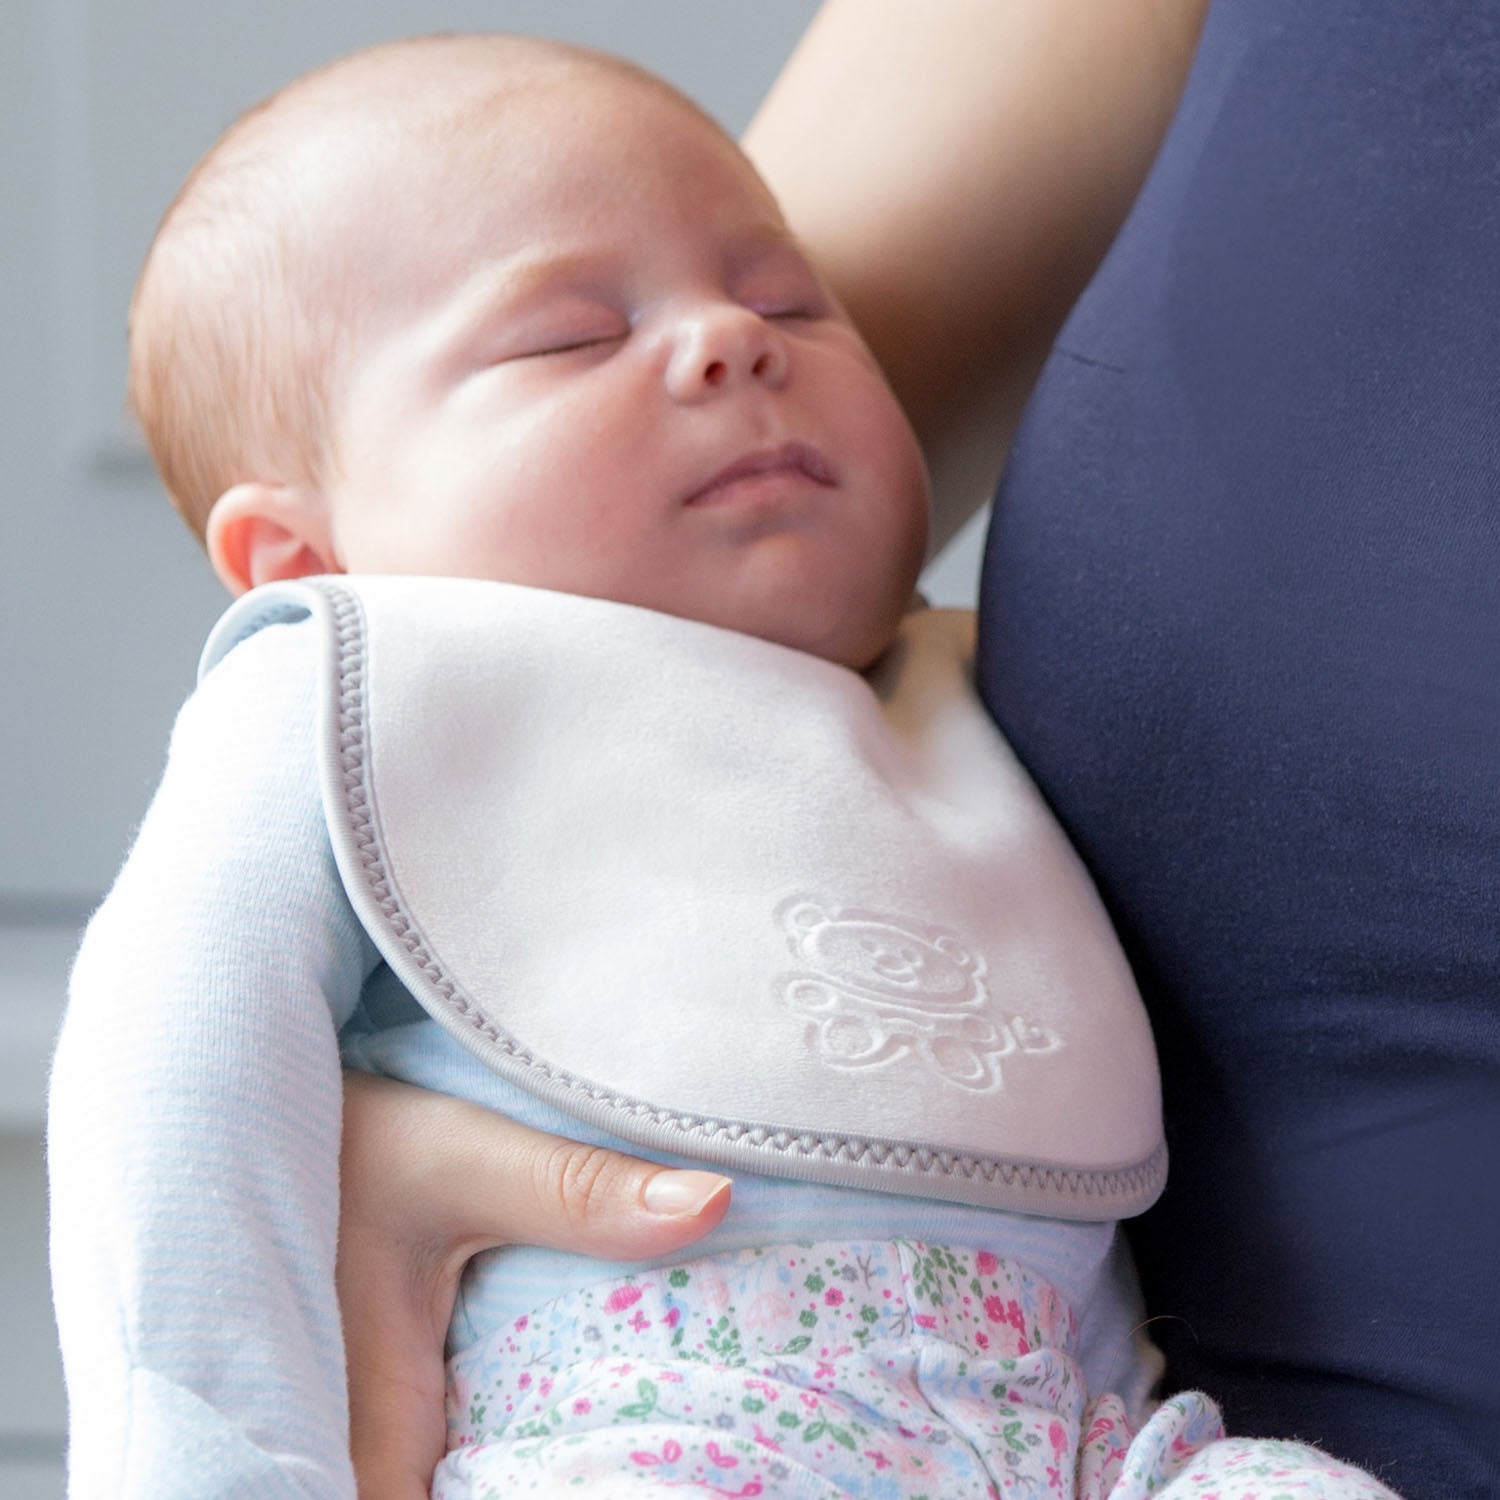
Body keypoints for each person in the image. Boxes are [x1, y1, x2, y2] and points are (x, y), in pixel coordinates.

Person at [46, 29, 1400, 1500]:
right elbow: (175, 1076)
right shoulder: (339, 691)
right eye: (568, 335)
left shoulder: (949, 707)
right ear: (303, 551)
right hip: (646, 1429)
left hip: (1075, 1440)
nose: (728, 338)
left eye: (790, 301)